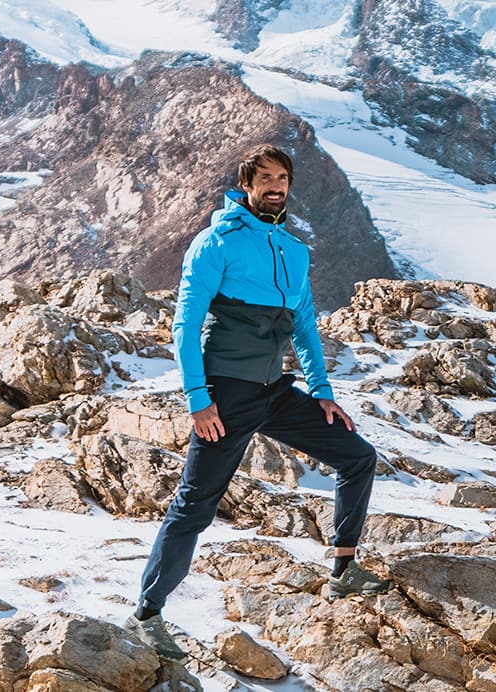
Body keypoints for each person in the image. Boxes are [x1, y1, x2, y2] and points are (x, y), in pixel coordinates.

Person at [127, 144, 391, 660]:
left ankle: (343, 569)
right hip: (226, 396)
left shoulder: (293, 250)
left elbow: (306, 327)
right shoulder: (214, 243)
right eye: (265, 177)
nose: (275, 186)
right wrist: (198, 400)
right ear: (247, 184)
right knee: (194, 506)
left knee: (357, 456)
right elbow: (184, 325)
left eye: (283, 178)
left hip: (275, 390)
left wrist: (322, 393)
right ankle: (147, 612)